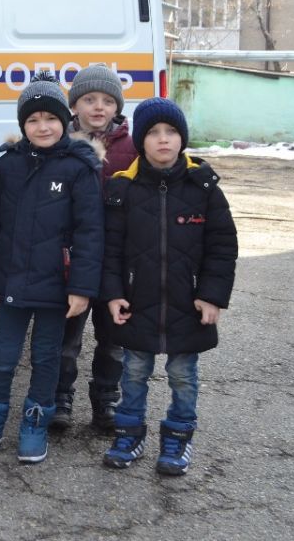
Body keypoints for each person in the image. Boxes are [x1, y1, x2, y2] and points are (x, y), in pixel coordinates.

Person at [0, 72, 103, 465]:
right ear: (23, 125)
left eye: (50, 118)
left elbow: (91, 232)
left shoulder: (80, 167)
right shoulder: (8, 165)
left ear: (65, 122)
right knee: (1, 357)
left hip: (58, 286)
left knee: (46, 358)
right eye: (33, 120)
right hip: (12, 282)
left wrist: (82, 287)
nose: (42, 126)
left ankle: (36, 425)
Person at [101, 98, 237, 476]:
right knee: (133, 372)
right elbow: (109, 250)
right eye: (154, 133)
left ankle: (178, 437)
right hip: (136, 303)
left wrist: (211, 295)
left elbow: (222, 247)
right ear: (141, 140)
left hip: (187, 305)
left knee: (182, 375)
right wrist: (113, 293)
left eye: (171, 132)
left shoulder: (204, 187)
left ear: (182, 138)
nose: (163, 140)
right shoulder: (122, 189)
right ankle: (128, 432)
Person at [52, 64, 137, 431]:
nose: (98, 107)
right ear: (74, 107)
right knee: (66, 339)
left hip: (119, 261)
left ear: (117, 107)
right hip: (75, 259)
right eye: (89, 99)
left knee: (113, 339)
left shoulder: (134, 148)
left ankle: (105, 401)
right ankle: (60, 400)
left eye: (107, 100)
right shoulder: (61, 146)